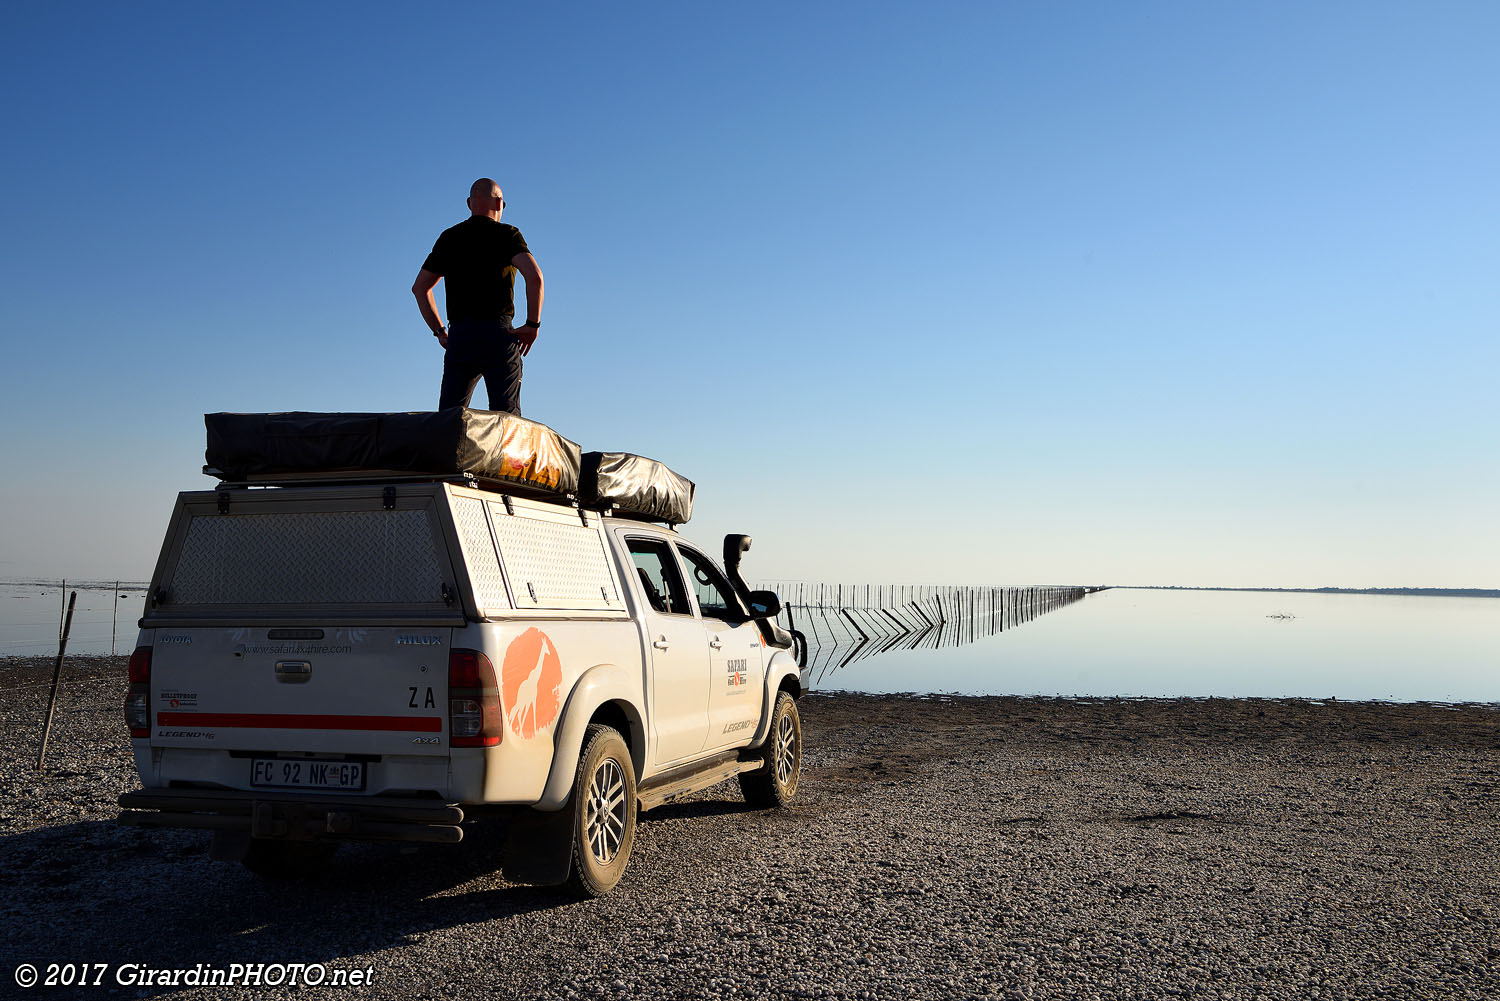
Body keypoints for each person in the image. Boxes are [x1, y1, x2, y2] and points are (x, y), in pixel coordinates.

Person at [412, 178, 544, 415]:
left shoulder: (449, 238)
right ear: (499, 202)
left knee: (449, 420)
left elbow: (420, 288)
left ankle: (445, 450)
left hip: (461, 337)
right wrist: (532, 324)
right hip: (498, 334)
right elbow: (534, 277)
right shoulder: (507, 234)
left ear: (469, 203)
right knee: (506, 419)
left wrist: (441, 332)